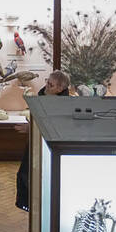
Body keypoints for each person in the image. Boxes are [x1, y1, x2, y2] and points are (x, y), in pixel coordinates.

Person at [15, 70, 71, 211]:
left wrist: (31, 128)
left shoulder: (61, 105)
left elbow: (54, 126)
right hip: (35, 145)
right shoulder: (42, 97)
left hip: (48, 148)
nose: (46, 86)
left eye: (51, 85)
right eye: (47, 81)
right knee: (27, 176)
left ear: (60, 89)